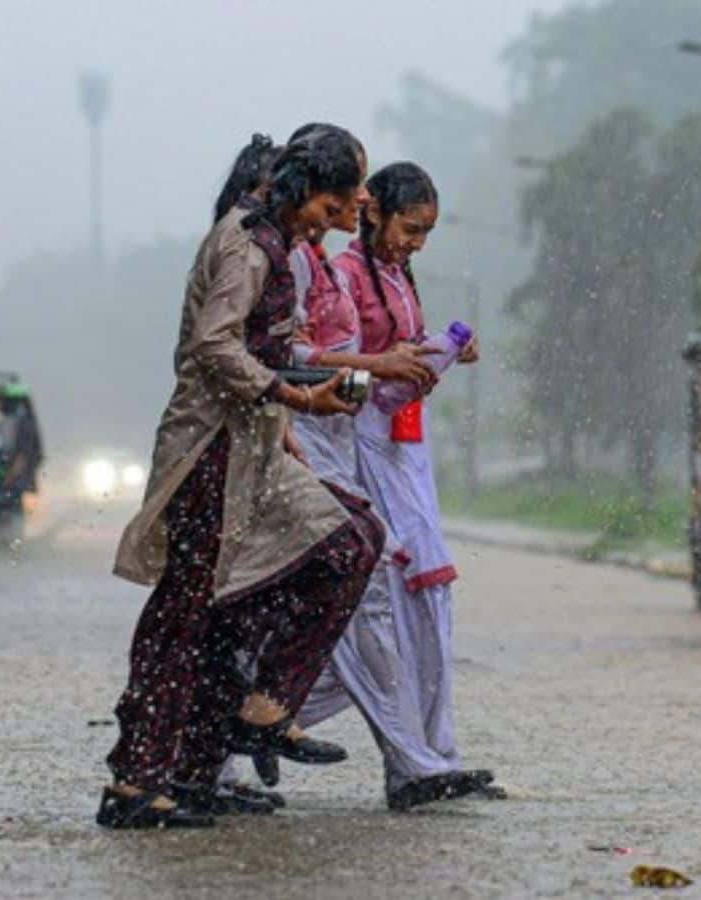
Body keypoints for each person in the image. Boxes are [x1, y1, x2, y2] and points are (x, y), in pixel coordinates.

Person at [99, 130, 384, 830]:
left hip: (255, 446)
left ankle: (244, 724)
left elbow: (266, 346)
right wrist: (295, 400)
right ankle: (136, 781)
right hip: (209, 453)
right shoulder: (247, 244)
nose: (339, 216)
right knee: (186, 612)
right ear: (298, 189)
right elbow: (213, 345)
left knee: (348, 541)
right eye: (332, 202)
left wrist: (288, 417)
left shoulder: (280, 244)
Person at [313, 161, 497, 810]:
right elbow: (338, 369)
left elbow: (395, 361)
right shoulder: (339, 275)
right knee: (377, 611)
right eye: (410, 228)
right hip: (357, 451)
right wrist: (393, 367)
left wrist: (437, 351)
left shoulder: (391, 275)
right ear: (371, 213)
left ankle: (430, 755)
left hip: (402, 451)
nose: (415, 242)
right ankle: (411, 760)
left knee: (426, 602)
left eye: (425, 234)